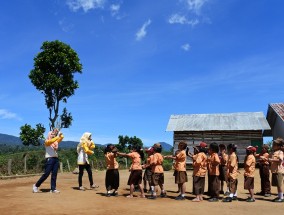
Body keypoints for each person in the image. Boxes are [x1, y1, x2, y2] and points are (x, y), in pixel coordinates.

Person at [32, 128, 64, 193]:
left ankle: (53, 189)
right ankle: (36, 185)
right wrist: (57, 136)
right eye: (51, 134)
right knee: (46, 174)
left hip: (55, 158)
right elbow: (51, 141)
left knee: (54, 174)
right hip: (49, 158)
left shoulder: (55, 142)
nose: (53, 134)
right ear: (49, 134)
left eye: (54, 134)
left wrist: (59, 132)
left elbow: (61, 137)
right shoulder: (46, 142)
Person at [268, 138, 284, 202]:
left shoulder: (280, 152)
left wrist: (271, 160)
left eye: (274, 144)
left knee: (279, 185)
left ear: (278, 146)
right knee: (277, 185)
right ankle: (279, 196)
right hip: (275, 171)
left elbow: (280, 160)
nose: (273, 145)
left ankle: (281, 197)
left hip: (279, 171)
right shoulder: (274, 152)